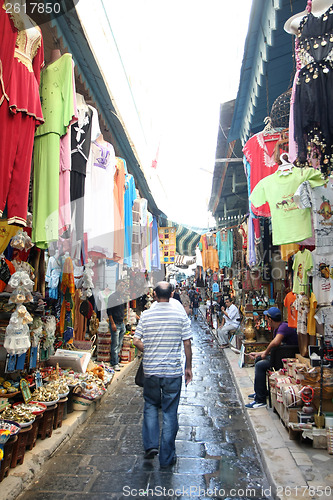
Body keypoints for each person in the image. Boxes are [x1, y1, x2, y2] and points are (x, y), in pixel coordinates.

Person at [133, 281, 192, 468]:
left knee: (150, 405)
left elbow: (136, 340)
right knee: (169, 412)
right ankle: (167, 458)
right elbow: (187, 343)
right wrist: (188, 367)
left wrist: (148, 349)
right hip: (172, 371)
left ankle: (151, 445)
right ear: (172, 294)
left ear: (155, 296)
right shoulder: (180, 314)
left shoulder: (147, 315)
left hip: (151, 370)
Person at [245, 307, 298, 409]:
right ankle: (261, 393)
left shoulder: (284, 327)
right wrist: (259, 354)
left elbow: (276, 342)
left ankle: (260, 400)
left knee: (260, 365)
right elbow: (274, 347)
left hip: (285, 360)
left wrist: (264, 354)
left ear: (270, 319)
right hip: (279, 357)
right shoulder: (278, 329)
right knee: (258, 360)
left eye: (267, 318)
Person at [107, 279, 127, 371]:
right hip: (115, 323)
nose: (122, 287)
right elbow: (109, 312)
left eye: (123, 286)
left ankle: (116, 361)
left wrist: (124, 321)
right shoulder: (112, 297)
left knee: (119, 344)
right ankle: (115, 363)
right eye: (121, 285)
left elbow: (123, 310)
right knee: (115, 344)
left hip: (121, 323)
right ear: (116, 286)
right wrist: (112, 323)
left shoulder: (122, 297)